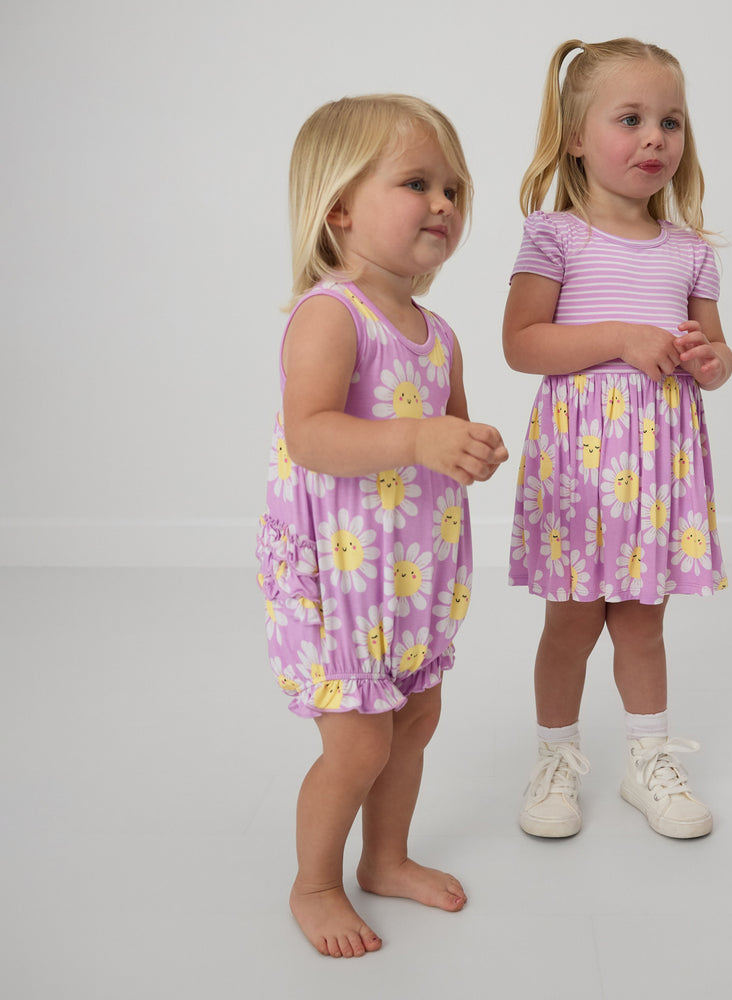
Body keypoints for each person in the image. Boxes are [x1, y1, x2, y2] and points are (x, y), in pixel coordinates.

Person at [257, 94, 507, 958]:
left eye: (453, 188)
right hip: (342, 581)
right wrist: (415, 438)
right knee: (359, 742)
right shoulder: (332, 313)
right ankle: (314, 883)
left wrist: (469, 446)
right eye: (416, 183)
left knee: (416, 720)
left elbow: (445, 430)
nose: (443, 202)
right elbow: (311, 434)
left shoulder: (439, 334)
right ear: (339, 208)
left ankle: (386, 857)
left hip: (411, 577)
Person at [503, 38, 732, 842]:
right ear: (575, 136)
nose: (655, 138)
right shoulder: (555, 236)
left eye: (670, 121)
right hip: (580, 468)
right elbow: (522, 344)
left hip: (657, 469)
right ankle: (556, 760)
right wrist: (619, 337)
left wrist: (710, 361)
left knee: (642, 623)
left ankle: (648, 761)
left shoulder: (690, 250)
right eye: (630, 119)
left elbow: (717, 354)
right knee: (570, 624)